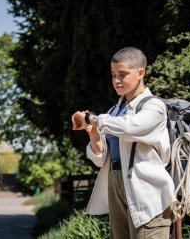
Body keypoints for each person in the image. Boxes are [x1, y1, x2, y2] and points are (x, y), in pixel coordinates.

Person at [71, 47, 178, 239]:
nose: (116, 81)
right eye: (113, 75)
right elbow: (101, 156)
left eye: (122, 74)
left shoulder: (154, 106)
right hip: (116, 182)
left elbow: (130, 128)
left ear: (140, 73)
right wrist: (92, 131)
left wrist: (91, 118)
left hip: (146, 189)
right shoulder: (113, 111)